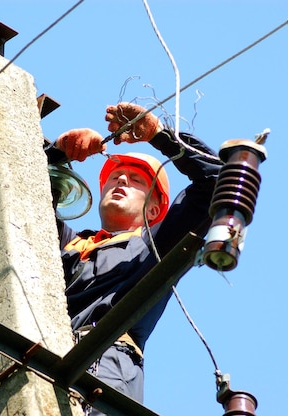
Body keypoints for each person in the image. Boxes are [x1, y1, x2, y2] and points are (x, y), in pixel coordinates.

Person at [51, 102, 222, 414]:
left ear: (154, 210)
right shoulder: (68, 242)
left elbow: (216, 183)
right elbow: (19, 190)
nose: (122, 181)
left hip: (105, 367)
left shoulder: (155, 244)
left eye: (137, 180)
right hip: (45, 355)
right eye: (116, 175)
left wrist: (158, 135)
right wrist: (60, 151)